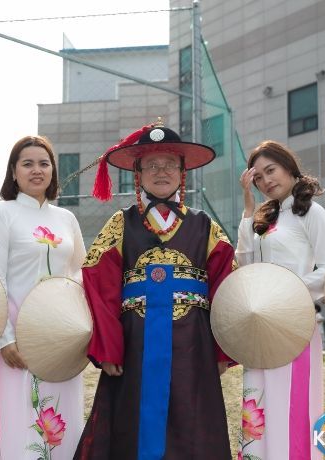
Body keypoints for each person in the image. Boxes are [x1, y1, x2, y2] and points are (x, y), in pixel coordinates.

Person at [74, 121, 235, 459]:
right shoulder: (121, 223)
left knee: (191, 419)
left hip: (193, 343)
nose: (161, 172)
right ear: (138, 173)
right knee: (132, 421)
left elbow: (227, 286)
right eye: (152, 165)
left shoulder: (205, 225)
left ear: (182, 172)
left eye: (170, 164)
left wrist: (221, 349)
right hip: (135, 342)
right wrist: (109, 348)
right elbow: (98, 282)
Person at [0, 135, 86, 459]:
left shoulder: (66, 218)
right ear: (14, 172)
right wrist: (4, 338)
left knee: (64, 417)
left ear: (53, 171)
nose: (36, 170)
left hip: (62, 334)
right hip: (18, 335)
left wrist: (74, 320)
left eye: (44, 163)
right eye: (27, 164)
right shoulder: (2, 214)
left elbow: (81, 272)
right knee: (22, 419)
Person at [236, 140, 325, 459]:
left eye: (271, 171)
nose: (266, 181)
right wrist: (248, 207)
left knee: (292, 403)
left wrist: (286, 291)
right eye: (258, 177)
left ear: (289, 167)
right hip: (261, 323)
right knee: (259, 402)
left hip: (295, 321)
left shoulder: (312, 213)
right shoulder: (267, 217)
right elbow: (245, 263)